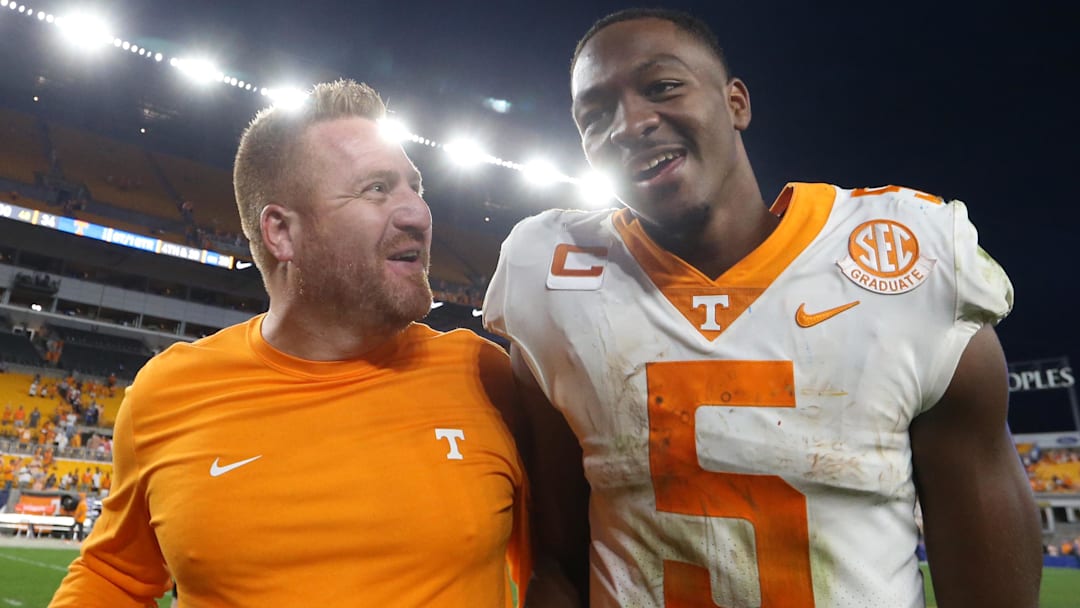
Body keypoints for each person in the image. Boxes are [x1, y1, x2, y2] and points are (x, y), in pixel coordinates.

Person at [484, 8, 1042, 608]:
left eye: (662, 86)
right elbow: (558, 563)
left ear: (736, 103)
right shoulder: (552, 275)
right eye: (594, 117)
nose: (629, 124)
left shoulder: (904, 261)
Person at [51, 80, 530, 608]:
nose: (417, 213)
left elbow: (555, 569)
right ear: (281, 232)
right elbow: (115, 576)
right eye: (376, 188)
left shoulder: (486, 375)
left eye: (415, 188)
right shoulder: (168, 392)